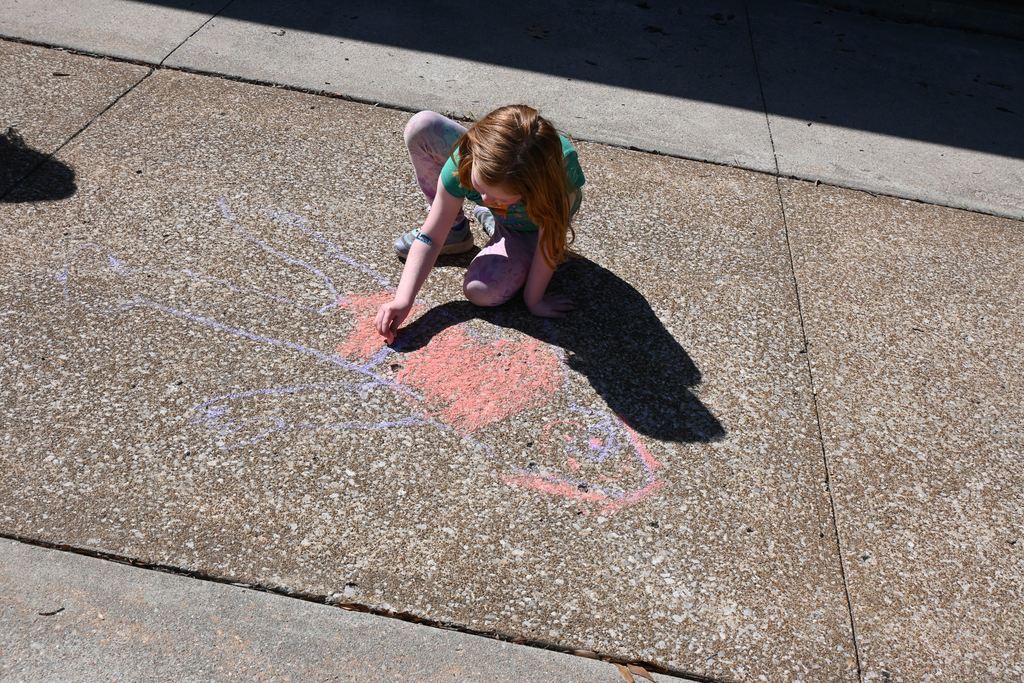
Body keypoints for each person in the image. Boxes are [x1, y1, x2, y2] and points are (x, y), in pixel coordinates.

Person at [374, 105, 586, 344]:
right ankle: (456, 231)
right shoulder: (468, 158)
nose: (485, 201)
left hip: (530, 226)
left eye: (498, 199)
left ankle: (504, 230)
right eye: (480, 189)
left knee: (482, 291)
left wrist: (534, 300)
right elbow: (430, 237)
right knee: (423, 126)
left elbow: (550, 242)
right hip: (504, 184)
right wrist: (402, 300)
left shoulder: (557, 176)